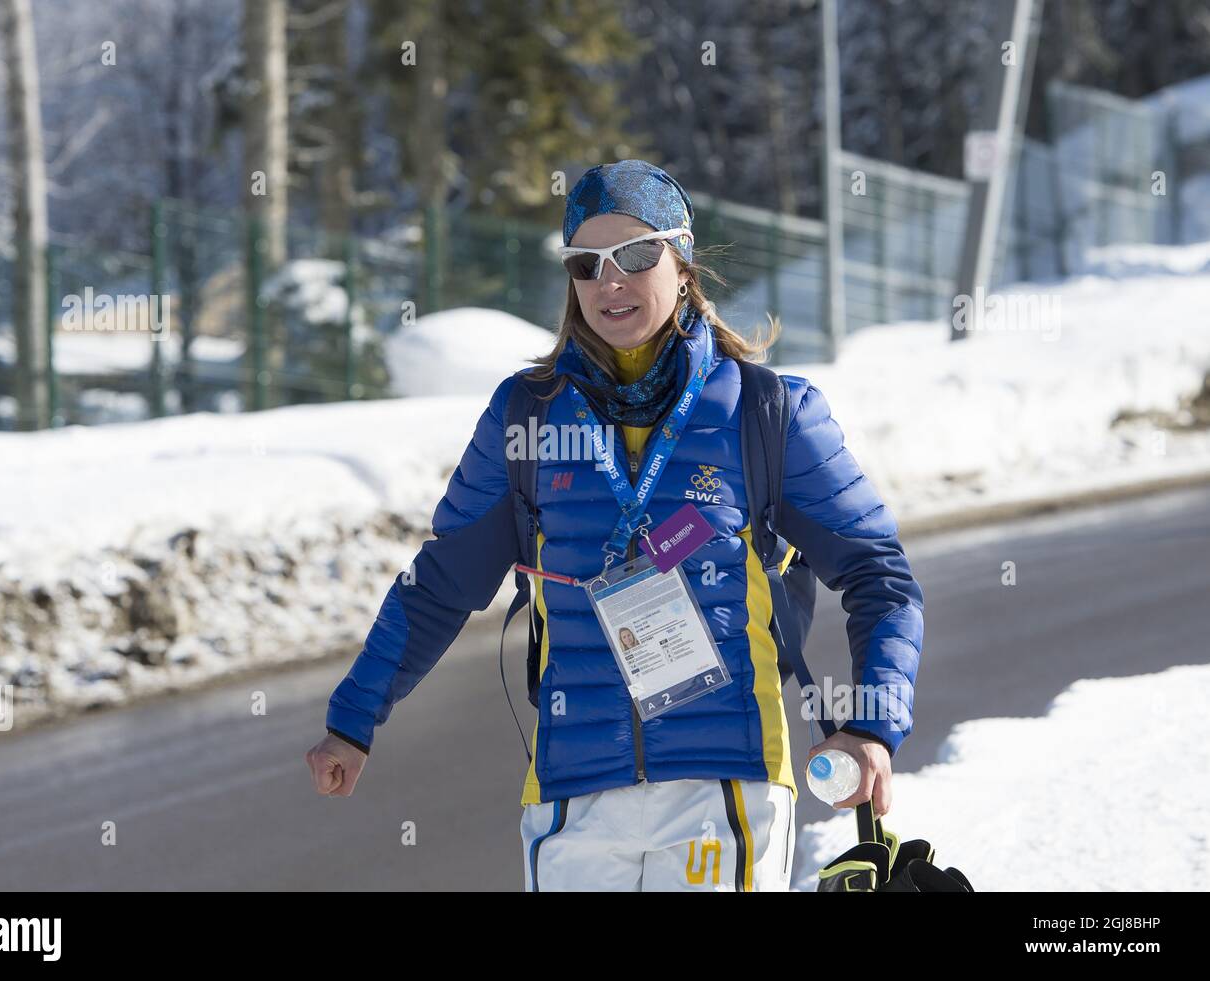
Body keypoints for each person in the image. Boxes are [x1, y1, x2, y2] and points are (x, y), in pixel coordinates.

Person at [305, 159, 924, 892]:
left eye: (636, 253)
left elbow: (880, 577)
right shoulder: (526, 419)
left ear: (683, 258)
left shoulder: (767, 412)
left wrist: (874, 725)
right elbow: (438, 585)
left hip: (725, 788)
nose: (610, 281)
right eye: (585, 263)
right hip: (574, 797)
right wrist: (353, 716)